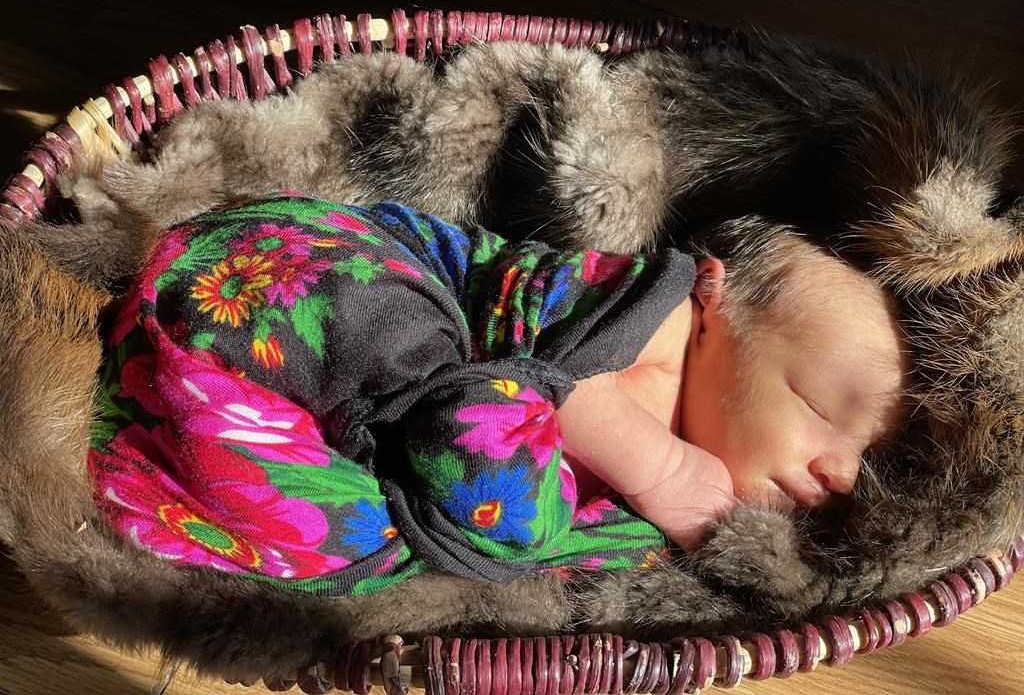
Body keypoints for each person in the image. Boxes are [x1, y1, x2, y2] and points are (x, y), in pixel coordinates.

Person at [87, 193, 908, 596]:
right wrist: (658, 468)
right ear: (712, 299)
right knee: (418, 365)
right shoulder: (640, 316)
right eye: (818, 407)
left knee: (355, 539)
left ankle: (158, 432)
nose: (843, 469)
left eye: (863, 458)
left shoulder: (673, 526)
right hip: (298, 275)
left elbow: (544, 546)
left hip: (251, 404)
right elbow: (526, 378)